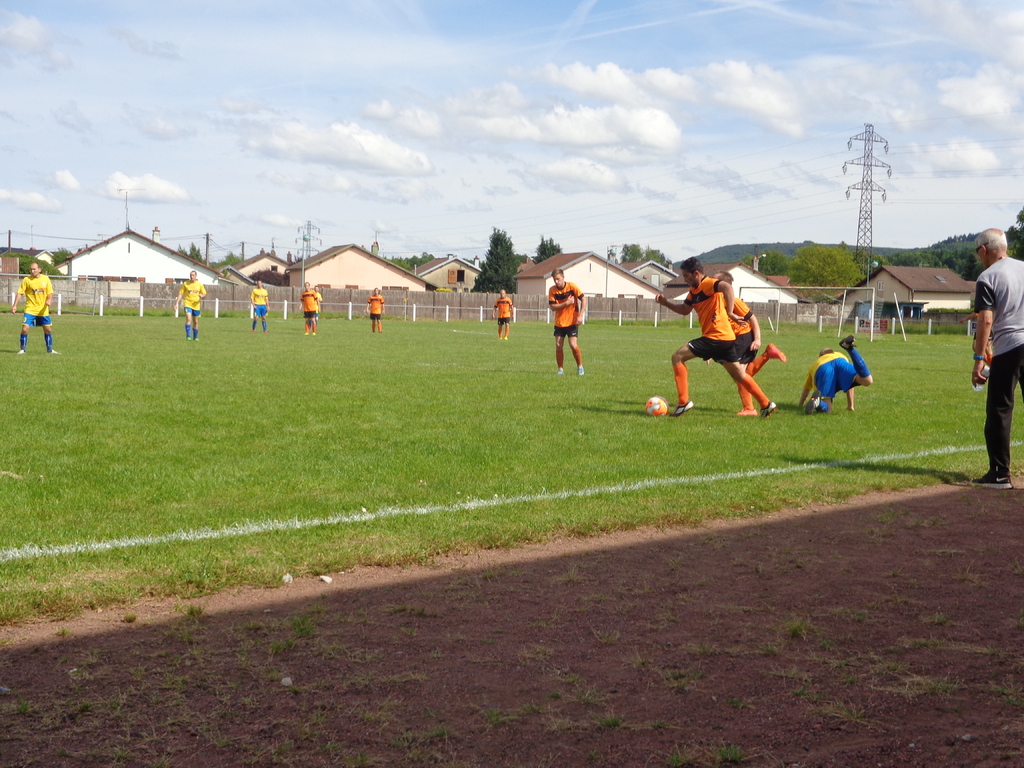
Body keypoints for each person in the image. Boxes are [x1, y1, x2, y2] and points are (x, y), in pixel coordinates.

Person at [655, 257, 776, 417]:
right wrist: (666, 303)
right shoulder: (694, 291)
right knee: (739, 375)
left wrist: (730, 312)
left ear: (696, 273)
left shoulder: (708, 284)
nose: (684, 279)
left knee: (677, 357)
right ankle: (766, 404)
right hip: (725, 338)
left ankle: (683, 402)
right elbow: (685, 310)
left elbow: (727, 287)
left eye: (686, 276)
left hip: (715, 337)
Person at [971, 228, 1024, 489]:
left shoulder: (988, 277)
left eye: (977, 252)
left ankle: (1000, 474)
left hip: (1009, 348)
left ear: (984, 249)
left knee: (1000, 410)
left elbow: (986, 319)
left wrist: (979, 358)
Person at [714, 271, 787, 415]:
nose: (711, 283)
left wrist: (757, 339)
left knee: (739, 374)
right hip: (734, 339)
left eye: (715, 282)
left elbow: (752, 319)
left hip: (744, 336)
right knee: (744, 374)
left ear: (723, 286)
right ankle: (767, 354)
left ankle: (751, 408)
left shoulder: (734, 301)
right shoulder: (718, 302)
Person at [797, 336, 873, 414]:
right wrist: (851, 405)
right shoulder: (838, 354)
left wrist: (801, 404)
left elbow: (806, 389)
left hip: (823, 367)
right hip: (841, 361)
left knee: (828, 410)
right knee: (867, 380)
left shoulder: (817, 363)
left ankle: (818, 402)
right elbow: (850, 384)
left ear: (821, 356)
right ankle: (850, 349)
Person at [11, 261, 58, 354]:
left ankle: (50, 350)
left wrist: (49, 300)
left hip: (43, 310)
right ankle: (22, 349)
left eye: (34, 269)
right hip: (30, 309)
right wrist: (14, 305)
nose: (32, 271)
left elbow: (50, 292)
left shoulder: (45, 279)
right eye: (31, 269)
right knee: (25, 328)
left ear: (39, 269)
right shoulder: (26, 280)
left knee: (48, 329)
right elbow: (20, 293)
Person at [548, 269, 587, 375]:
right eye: (554, 279)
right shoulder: (552, 290)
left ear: (563, 277)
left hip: (572, 322)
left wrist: (580, 315)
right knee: (558, 345)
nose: (556, 281)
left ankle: (580, 367)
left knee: (573, 345)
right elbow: (553, 307)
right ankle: (560, 369)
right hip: (559, 322)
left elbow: (584, 299)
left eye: (558, 279)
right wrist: (566, 303)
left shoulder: (572, 287)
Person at [173, 270, 206, 341]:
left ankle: (195, 337)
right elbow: (180, 294)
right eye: (191, 275)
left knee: (195, 321)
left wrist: (202, 295)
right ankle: (188, 336)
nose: (192, 276)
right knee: (188, 318)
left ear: (196, 276)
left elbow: (204, 293)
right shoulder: (186, 284)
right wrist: (176, 303)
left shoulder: (199, 285)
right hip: (187, 303)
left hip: (196, 305)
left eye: (193, 275)